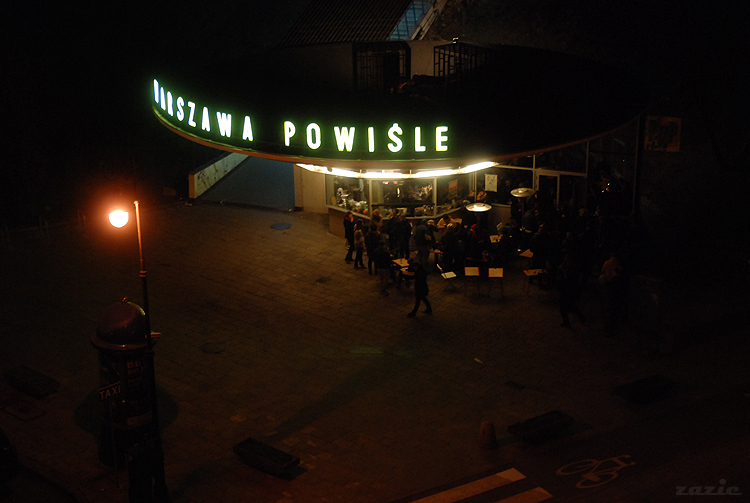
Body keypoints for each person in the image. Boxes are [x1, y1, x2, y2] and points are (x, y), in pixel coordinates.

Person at [557, 253, 586, 327]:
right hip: (567, 289)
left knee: (567, 307)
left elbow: (569, 278)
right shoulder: (567, 267)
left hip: (569, 289)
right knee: (569, 307)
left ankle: (570, 321)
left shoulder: (572, 268)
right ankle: (580, 318)